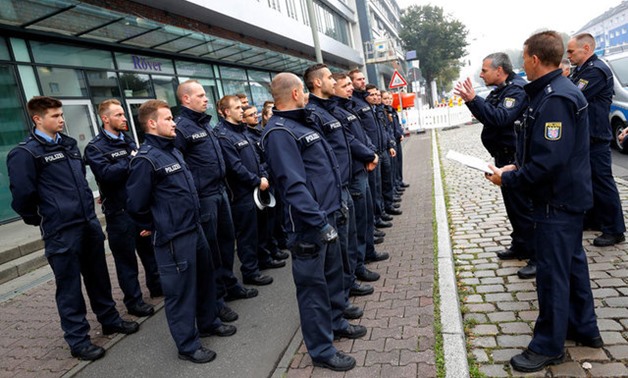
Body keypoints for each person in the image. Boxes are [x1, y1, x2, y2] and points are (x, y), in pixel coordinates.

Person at [486, 30, 601, 372]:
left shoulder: (555, 98)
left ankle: (549, 345)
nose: (522, 64)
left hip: (557, 201)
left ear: (535, 60)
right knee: (573, 267)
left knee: (552, 275)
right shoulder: (551, 93)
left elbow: (551, 160)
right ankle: (585, 329)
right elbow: (545, 152)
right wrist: (516, 165)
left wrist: (510, 178)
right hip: (563, 198)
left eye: (523, 58)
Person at [7, 96, 139, 361]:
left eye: (61, 114)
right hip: (61, 230)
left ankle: (110, 319)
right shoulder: (26, 153)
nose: (61, 119)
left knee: (99, 276)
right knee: (69, 288)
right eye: (55, 116)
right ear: (37, 119)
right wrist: (42, 218)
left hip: (87, 223)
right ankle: (78, 340)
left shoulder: (68, 145)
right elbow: (22, 195)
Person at [261, 72, 356, 372]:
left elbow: (324, 167)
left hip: (326, 213)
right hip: (308, 226)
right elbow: (294, 186)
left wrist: (334, 208)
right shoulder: (279, 133)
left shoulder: (300, 124)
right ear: (295, 94)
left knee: (332, 278)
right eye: (303, 90)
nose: (305, 95)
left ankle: (337, 321)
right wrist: (319, 223)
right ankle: (321, 349)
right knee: (313, 290)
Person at [127, 99, 231, 363]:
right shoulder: (146, 160)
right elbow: (136, 205)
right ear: (152, 123)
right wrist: (156, 225)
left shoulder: (171, 150)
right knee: (180, 293)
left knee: (205, 280)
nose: (174, 123)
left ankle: (209, 322)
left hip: (193, 229)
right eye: (168, 119)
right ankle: (187, 345)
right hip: (173, 237)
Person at [174, 80, 256, 321]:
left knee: (226, 242)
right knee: (211, 250)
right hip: (204, 196)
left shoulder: (204, 123)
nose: (206, 99)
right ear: (186, 99)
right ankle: (216, 300)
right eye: (200, 95)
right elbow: (182, 166)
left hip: (220, 192)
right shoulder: (182, 128)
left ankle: (229, 284)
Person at [304, 63, 377, 323]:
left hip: (344, 181)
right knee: (340, 245)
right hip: (334, 188)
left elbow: (346, 141)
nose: (334, 82)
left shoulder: (329, 109)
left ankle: (345, 290)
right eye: (328, 78)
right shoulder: (313, 114)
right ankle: (341, 297)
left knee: (349, 237)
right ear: (316, 83)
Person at [454, 52, 536, 279]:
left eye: (484, 70)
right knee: (513, 206)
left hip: (513, 158)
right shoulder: (501, 90)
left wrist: (473, 99)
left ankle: (536, 254)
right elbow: (487, 116)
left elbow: (501, 118)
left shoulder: (516, 90)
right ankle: (520, 244)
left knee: (523, 207)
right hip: (503, 155)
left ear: (499, 70)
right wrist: (473, 101)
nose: (481, 75)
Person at [84, 99, 160, 318]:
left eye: (124, 115)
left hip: (138, 208)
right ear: (105, 119)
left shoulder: (127, 140)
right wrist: (130, 160)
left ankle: (156, 286)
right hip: (119, 214)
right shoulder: (95, 147)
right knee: (126, 261)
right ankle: (134, 302)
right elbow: (106, 175)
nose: (124, 118)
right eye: (118, 115)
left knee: (149, 252)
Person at [215, 95, 284, 286]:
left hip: (257, 187)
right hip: (242, 194)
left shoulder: (242, 130)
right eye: (237, 108)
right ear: (227, 112)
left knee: (261, 229)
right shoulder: (223, 136)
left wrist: (262, 175)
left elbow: (256, 156)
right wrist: (256, 180)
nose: (242, 110)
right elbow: (235, 167)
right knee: (247, 235)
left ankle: (263, 260)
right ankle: (250, 272)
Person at [567, 32, 626, 246]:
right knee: (589, 182)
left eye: (571, 51)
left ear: (586, 49)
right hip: (587, 136)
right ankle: (594, 219)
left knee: (603, 182)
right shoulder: (582, 70)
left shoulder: (596, 71)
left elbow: (573, 96)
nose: (569, 55)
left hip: (596, 136)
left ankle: (614, 229)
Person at [242, 104, 289, 262]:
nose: (255, 116)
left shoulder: (259, 133)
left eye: (255, 113)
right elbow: (255, 162)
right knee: (265, 222)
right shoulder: (247, 135)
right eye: (251, 115)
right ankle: (266, 254)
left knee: (274, 217)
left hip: (269, 178)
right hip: (261, 181)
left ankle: (273, 248)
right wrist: (263, 172)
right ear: (244, 119)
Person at [348, 70, 393, 232]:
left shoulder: (364, 102)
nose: (362, 81)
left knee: (378, 186)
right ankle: (374, 222)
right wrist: (369, 153)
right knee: (371, 191)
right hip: (367, 156)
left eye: (363, 79)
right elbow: (359, 134)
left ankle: (379, 215)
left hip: (376, 150)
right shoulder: (354, 103)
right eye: (358, 79)